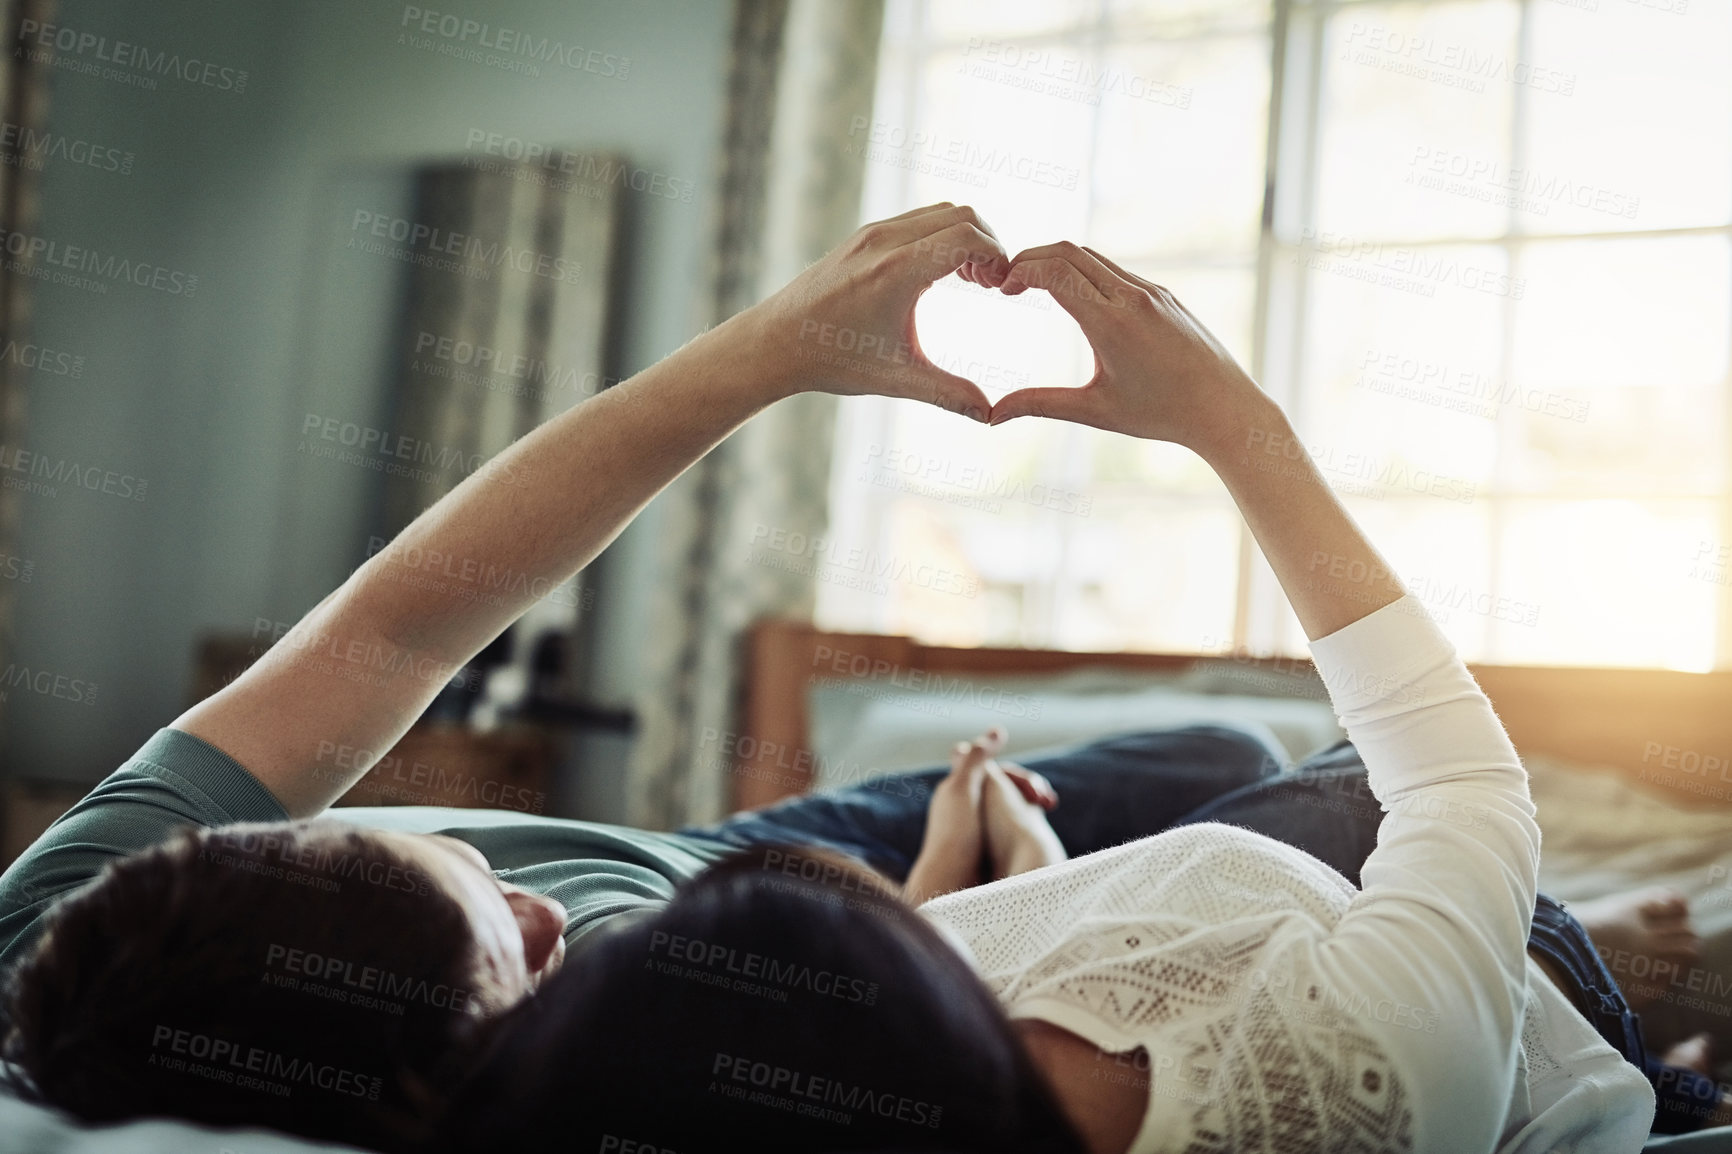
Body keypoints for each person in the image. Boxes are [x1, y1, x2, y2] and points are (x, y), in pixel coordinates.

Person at [0, 205, 1302, 1151]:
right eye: (503, 981)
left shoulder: (76, 926)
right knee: (1332, 822)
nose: (539, 908)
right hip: (797, 947)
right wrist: (970, 910)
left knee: (1219, 758)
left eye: (445, 854)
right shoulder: (581, 1097)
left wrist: (772, 349)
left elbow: (399, 629)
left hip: (732, 847)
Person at [433, 239, 1681, 1154]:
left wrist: (1012, 872)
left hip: (1129, 916)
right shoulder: (1372, 1075)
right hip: (1500, 987)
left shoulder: (905, 1085)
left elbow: (931, 986)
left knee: (1224, 747)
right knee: (1344, 791)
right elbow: (1459, 779)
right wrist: (1228, 422)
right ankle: (1631, 1008)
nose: (534, 912)